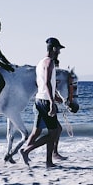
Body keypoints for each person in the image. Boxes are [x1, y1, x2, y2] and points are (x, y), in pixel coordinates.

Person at [20, 37, 65, 168]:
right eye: (59, 49)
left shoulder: (40, 62)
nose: (60, 52)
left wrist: (56, 96)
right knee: (54, 133)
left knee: (39, 131)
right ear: (54, 48)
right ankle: (26, 150)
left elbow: (41, 83)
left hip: (39, 99)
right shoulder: (49, 62)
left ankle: (48, 161)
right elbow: (46, 83)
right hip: (45, 101)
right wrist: (52, 102)